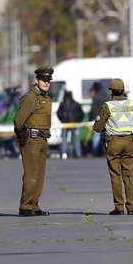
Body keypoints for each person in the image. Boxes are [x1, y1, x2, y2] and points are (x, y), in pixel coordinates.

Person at [92, 78, 133, 215]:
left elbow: (97, 127)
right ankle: (131, 208)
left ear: (111, 91)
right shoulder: (132, 104)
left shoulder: (107, 106)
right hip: (129, 142)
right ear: (123, 90)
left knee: (115, 175)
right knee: (129, 175)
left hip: (113, 143)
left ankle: (119, 208)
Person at [14, 66, 53, 217]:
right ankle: (25, 206)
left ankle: (34, 204)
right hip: (32, 139)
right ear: (36, 80)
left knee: (40, 175)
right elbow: (19, 120)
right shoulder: (31, 97)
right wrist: (21, 135)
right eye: (44, 80)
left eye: (48, 80)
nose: (46, 82)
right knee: (31, 174)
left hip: (43, 138)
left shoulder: (45, 98)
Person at [57, 90, 85, 159]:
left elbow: (58, 113)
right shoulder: (76, 104)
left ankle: (63, 153)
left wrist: (62, 120)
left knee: (63, 139)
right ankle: (78, 153)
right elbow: (82, 114)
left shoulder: (62, 104)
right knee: (76, 139)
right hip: (74, 123)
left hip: (65, 124)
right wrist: (78, 121)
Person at [89, 82, 109, 157]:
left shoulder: (96, 96)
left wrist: (91, 118)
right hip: (106, 118)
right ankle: (105, 151)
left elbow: (93, 109)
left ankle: (95, 151)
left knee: (96, 136)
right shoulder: (107, 95)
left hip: (98, 118)